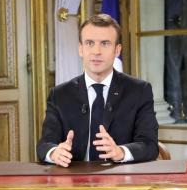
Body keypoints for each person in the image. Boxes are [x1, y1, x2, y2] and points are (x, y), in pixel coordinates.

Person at [37, 14, 158, 167]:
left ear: (117, 50)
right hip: (74, 184)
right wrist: (55, 153)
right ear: (81, 49)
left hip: (122, 185)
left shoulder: (139, 91)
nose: (96, 51)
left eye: (105, 43)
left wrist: (120, 152)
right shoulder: (59, 95)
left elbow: (150, 146)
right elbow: (44, 145)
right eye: (89, 43)